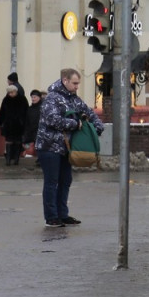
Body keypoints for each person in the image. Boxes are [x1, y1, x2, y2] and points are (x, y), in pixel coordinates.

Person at [35, 68, 102, 227]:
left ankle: (62, 214)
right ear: (65, 81)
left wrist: (98, 126)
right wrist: (76, 124)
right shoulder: (52, 98)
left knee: (65, 180)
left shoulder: (74, 99)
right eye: (75, 83)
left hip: (66, 148)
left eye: (78, 83)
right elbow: (53, 120)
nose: (77, 86)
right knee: (52, 181)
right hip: (49, 146)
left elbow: (89, 113)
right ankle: (51, 216)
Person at [0, 82, 28, 166]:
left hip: (19, 125)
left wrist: (25, 122)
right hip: (9, 124)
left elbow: (26, 112)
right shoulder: (6, 99)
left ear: (16, 91)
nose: (10, 94)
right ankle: (8, 159)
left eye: (12, 92)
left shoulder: (22, 99)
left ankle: (16, 159)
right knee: (9, 142)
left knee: (18, 142)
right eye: (9, 92)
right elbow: (2, 112)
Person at [24, 89, 43, 158]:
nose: (33, 99)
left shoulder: (43, 108)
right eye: (32, 97)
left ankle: (40, 159)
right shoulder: (30, 109)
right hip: (31, 130)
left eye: (35, 97)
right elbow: (27, 120)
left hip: (40, 130)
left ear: (39, 98)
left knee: (40, 146)